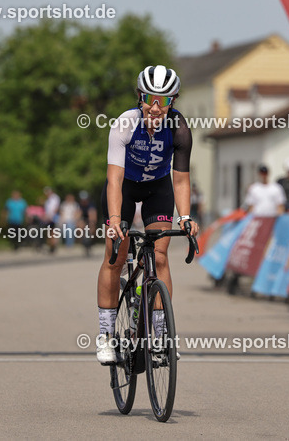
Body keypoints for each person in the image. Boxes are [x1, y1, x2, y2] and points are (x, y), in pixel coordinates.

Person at [95, 65, 200, 364]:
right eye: (150, 98)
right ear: (140, 98)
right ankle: (106, 336)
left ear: (173, 102)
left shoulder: (179, 128)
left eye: (164, 100)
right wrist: (115, 221)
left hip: (158, 189)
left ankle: (160, 337)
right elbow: (113, 178)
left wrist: (185, 217)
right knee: (115, 257)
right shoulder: (126, 124)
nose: (155, 107)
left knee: (162, 256)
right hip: (125, 188)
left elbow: (180, 179)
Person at [78, 190, 98, 257]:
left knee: (92, 226)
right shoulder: (80, 205)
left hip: (90, 219)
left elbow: (92, 216)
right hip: (83, 219)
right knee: (80, 226)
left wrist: (91, 224)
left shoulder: (91, 205)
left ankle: (90, 241)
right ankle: (83, 242)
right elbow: (78, 214)